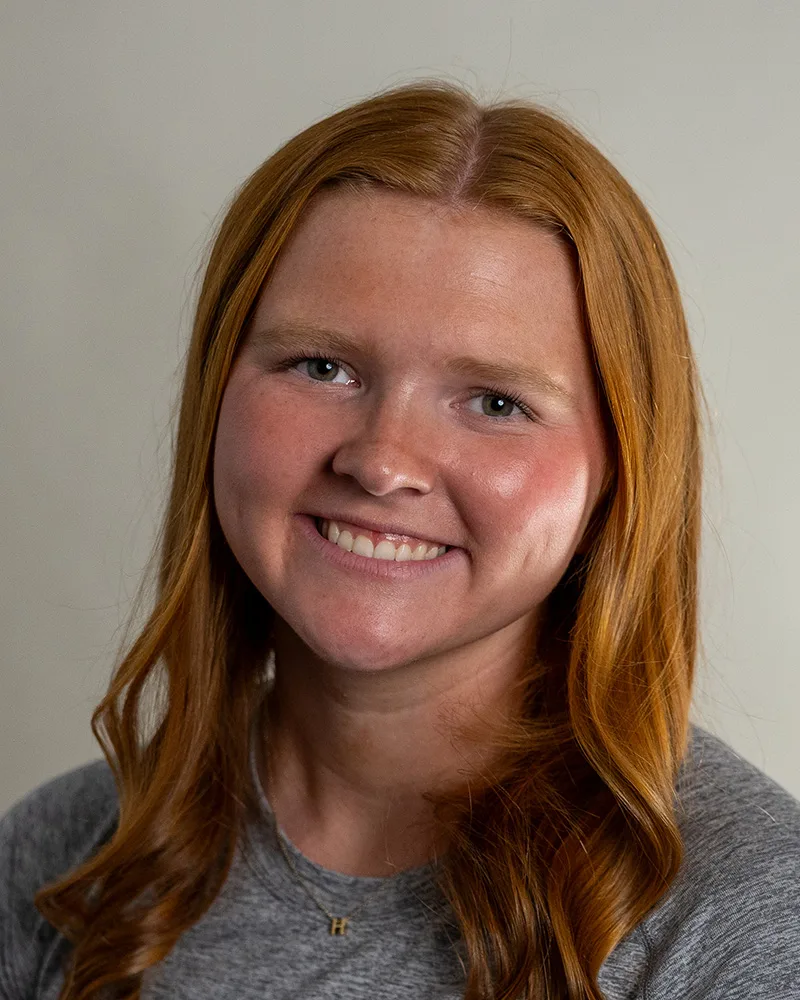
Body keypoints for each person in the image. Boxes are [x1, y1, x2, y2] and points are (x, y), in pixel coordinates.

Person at [1, 79, 798, 1000]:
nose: (382, 463)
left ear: (618, 466)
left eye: (496, 402)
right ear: (216, 394)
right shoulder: (59, 867)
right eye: (323, 366)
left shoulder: (744, 919)